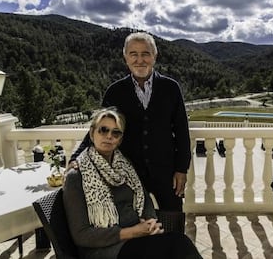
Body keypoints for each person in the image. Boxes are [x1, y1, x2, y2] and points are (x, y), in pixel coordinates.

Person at [69, 32, 191, 212]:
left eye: (145, 54)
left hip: (166, 172)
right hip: (127, 173)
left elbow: (182, 131)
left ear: (154, 57)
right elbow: (99, 129)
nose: (139, 60)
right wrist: (75, 158)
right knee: (133, 223)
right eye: (133, 54)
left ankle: (175, 241)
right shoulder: (115, 92)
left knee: (173, 220)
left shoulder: (171, 88)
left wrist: (182, 169)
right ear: (126, 58)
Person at [63, 108, 201, 259]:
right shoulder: (77, 176)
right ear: (92, 133)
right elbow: (81, 235)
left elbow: (144, 197)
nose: (109, 136)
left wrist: (150, 221)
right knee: (178, 245)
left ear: (120, 140)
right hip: (104, 249)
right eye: (103, 130)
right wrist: (133, 232)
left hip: (136, 238)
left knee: (179, 245)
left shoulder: (123, 166)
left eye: (116, 133)